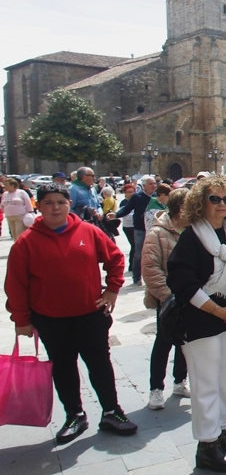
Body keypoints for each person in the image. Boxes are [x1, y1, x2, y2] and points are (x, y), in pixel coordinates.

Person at [6, 183, 136, 445]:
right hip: (50, 318)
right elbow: (15, 285)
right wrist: (22, 320)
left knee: (99, 364)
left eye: (60, 202)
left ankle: (112, 411)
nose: (55, 207)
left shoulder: (88, 232)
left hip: (89, 314)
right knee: (63, 367)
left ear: (68, 204)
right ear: (39, 207)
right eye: (49, 203)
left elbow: (115, 259)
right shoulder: (26, 243)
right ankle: (75, 414)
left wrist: (112, 289)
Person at [166, 177, 226, 473]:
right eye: (215, 199)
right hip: (202, 319)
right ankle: (206, 445)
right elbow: (181, 282)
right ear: (201, 202)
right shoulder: (192, 237)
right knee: (206, 384)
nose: (221, 205)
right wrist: (216, 310)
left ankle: (220, 431)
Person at [142, 187, 190, 410]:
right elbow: (150, 269)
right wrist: (169, 297)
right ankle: (156, 389)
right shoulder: (158, 233)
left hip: (190, 297)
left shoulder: (193, 230)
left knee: (186, 342)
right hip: (168, 299)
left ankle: (180, 381)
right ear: (181, 209)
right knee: (164, 342)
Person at [115, 176, 158, 284]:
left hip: (154, 229)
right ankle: (137, 277)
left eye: (154, 183)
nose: (154, 186)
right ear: (144, 186)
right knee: (138, 253)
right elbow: (126, 209)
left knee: (155, 254)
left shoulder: (157, 197)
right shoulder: (137, 197)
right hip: (140, 229)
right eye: (150, 184)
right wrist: (115, 215)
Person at [119, 184, 137, 270]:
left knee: (135, 245)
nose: (131, 194)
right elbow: (124, 214)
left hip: (136, 226)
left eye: (132, 192)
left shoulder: (136, 200)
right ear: (125, 193)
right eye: (128, 192)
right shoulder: (124, 202)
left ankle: (134, 264)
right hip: (128, 227)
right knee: (134, 245)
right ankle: (131, 265)